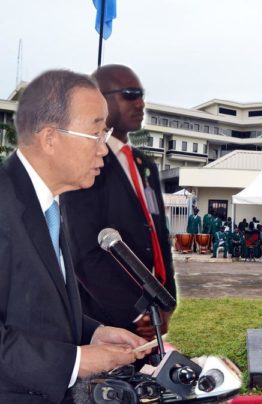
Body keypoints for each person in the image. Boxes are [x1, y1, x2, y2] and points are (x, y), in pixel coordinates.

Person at [0, 69, 149, 403]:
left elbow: (33, 304)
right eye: (95, 134)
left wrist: (93, 332)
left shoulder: (48, 202)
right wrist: (77, 361)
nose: (103, 149)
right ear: (50, 138)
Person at [62, 65, 176, 340]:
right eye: (130, 94)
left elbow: (159, 236)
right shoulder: (83, 161)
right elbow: (84, 252)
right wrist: (136, 313)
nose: (141, 103)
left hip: (152, 313)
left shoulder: (144, 164)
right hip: (103, 319)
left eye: (141, 95)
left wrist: (166, 301)